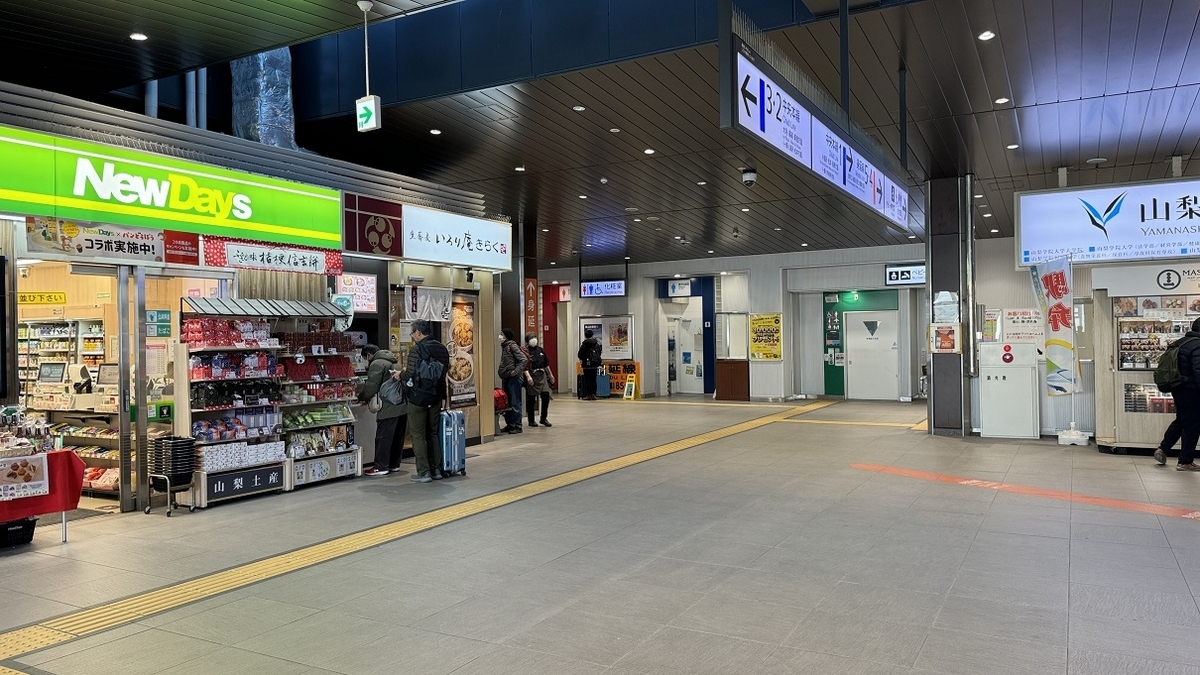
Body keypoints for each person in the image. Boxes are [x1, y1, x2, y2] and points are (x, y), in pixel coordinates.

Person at [396, 320, 450, 483]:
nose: (412, 336)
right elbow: (445, 370)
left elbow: (410, 373)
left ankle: (424, 472)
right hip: (436, 396)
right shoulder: (442, 348)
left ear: (418, 332)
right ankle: (436, 470)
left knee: (418, 435)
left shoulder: (417, 349)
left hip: (418, 397)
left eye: (412, 333)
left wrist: (400, 375)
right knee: (432, 433)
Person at [1153, 318, 1200, 470]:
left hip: (1178, 388)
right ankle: (1185, 461)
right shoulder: (1198, 345)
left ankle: (1163, 448)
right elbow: (1198, 371)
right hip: (1192, 390)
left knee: (1182, 420)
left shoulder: (1180, 342)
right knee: (1192, 424)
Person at [354, 344, 405, 476]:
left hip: (388, 406)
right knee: (396, 437)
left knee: (383, 437)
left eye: (365, 358)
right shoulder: (394, 361)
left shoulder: (377, 363)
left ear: (369, 355)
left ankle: (380, 466)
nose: (366, 361)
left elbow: (372, 386)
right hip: (401, 404)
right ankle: (394, 464)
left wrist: (362, 397)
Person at [498, 328, 529, 433]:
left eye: (502, 334)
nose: (500, 336)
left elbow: (524, 359)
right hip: (506, 377)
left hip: (514, 379)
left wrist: (516, 371)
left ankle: (517, 425)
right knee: (508, 402)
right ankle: (510, 424)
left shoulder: (512, 346)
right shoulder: (505, 346)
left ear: (506, 335)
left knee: (515, 402)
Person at [525, 333, 555, 427]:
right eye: (531, 338)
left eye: (534, 337)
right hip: (532, 375)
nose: (533, 340)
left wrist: (550, 375)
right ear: (527, 341)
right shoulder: (525, 351)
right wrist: (528, 376)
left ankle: (543, 418)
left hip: (542, 375)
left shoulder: (541, 350)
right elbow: (524, 366)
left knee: (546, 396)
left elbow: (546, 364)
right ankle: (531, 420)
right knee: (531, 399)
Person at [578, 329, 603, 401]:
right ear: (592, 335)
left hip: (586, 365)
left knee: (587, 379)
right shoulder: (596, 344)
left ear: (585, 336)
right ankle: (594, 394)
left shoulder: (584, 345)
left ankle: (588, 395)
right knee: (593, 379)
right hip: (595, 364)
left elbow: (580, 355)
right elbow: (599, 353)